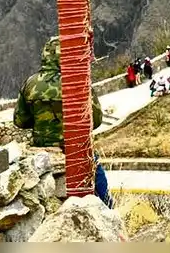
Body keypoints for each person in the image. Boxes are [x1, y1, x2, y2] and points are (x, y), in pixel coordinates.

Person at [14, 36, 111, 207]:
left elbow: (20, 121)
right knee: (98, 176)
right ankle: (107, 207)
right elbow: (95, 120)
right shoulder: (78, 81)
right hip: (75, 149)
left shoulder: (30, 83)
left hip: (41, 151)